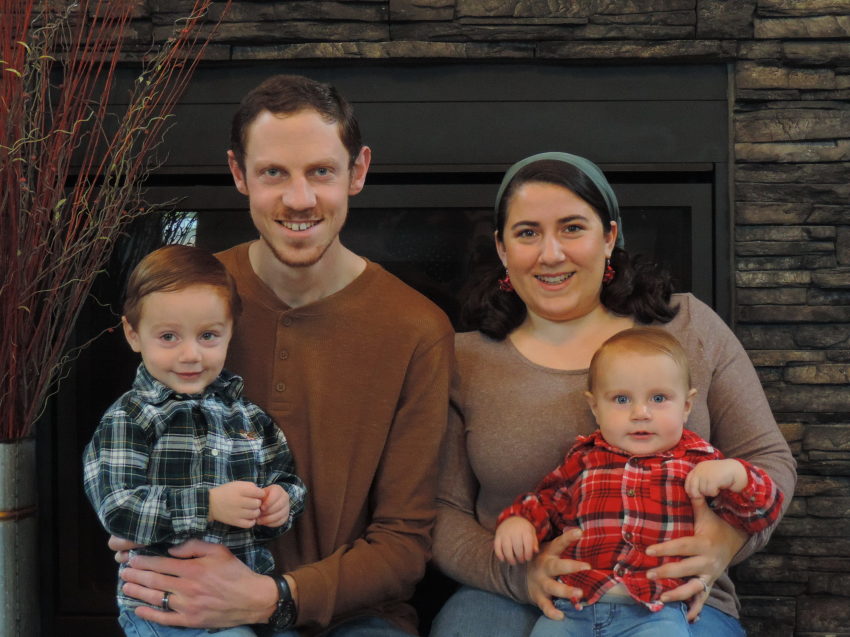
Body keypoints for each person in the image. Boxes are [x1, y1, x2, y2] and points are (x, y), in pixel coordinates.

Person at [109, 75, 454, 636]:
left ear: (358, 171)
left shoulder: (416, 329)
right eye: (274, 172)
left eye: (321, 171)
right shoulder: (184, 306)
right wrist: (133, 525)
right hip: (198, 594)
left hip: (354, 613)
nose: (300, 199)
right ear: (239, 174)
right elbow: (135, 464)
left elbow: (403, 543)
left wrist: (273, 597)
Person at [430, 151, 796, 637]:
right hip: (507, 592)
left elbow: (767, 459)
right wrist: (521, 575)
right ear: (501, 248)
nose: (551, 253)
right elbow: (441, 510)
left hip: (671, 594)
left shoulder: (688, 326)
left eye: (572, 228)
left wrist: (724, 545)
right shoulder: (463, 359)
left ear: (609, 236)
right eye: (527, 233)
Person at [494, 327, 784, 637]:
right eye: (621, 399)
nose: (640, 413)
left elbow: (761, 513)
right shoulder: (582, 460)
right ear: (595, 407)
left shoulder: (701, 463)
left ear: (687, 406)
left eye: (659, 398)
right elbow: (545, 503)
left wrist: (738, 475)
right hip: (573, 606)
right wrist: (519, 523)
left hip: (657, 612)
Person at [83, 244, 307, 637]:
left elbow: (287, 477)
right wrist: (209, 506)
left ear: (229, 333)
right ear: (134, 334)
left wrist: (281, 503)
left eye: (208, 336)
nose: (191, 354)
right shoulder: (131, 418)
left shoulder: (249, 417)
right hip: (163, 604)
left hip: (244, 594)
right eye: (169, 336)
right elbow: (118, 508)